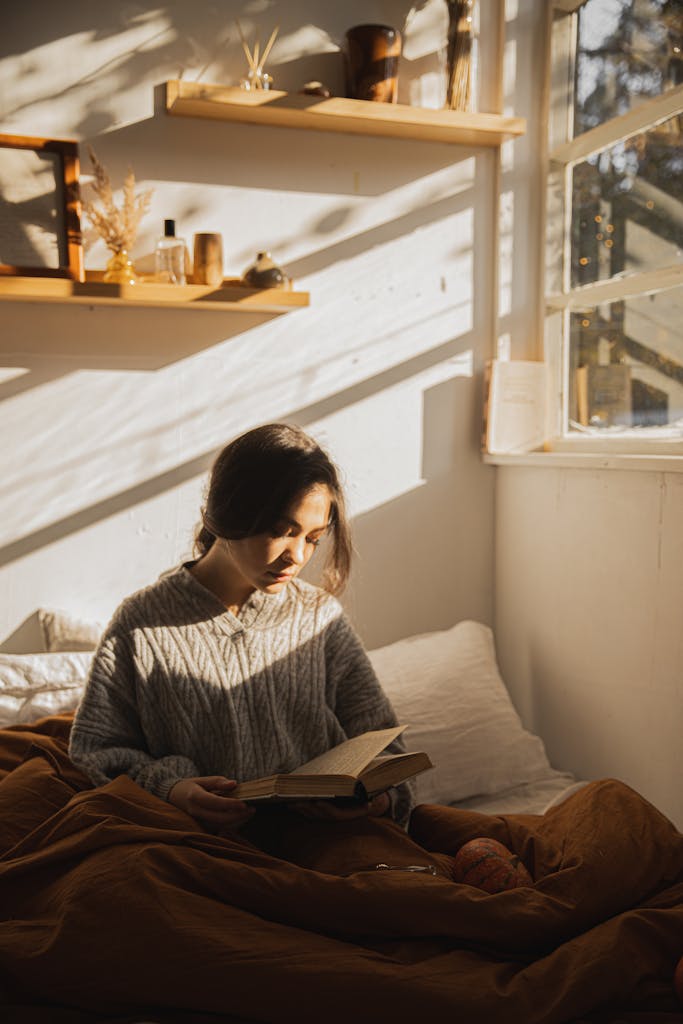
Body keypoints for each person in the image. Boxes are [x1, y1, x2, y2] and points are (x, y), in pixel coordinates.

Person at [69, 422, 415, 835]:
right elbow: (97, 750)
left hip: (322, 841)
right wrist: (173, 789)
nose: (297, 556)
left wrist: (374, 800)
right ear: (229, 514)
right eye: (282, 532)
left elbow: (386, 747)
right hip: (196, 847)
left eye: (313, 539)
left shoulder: (319, 618)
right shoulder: (142, 623)